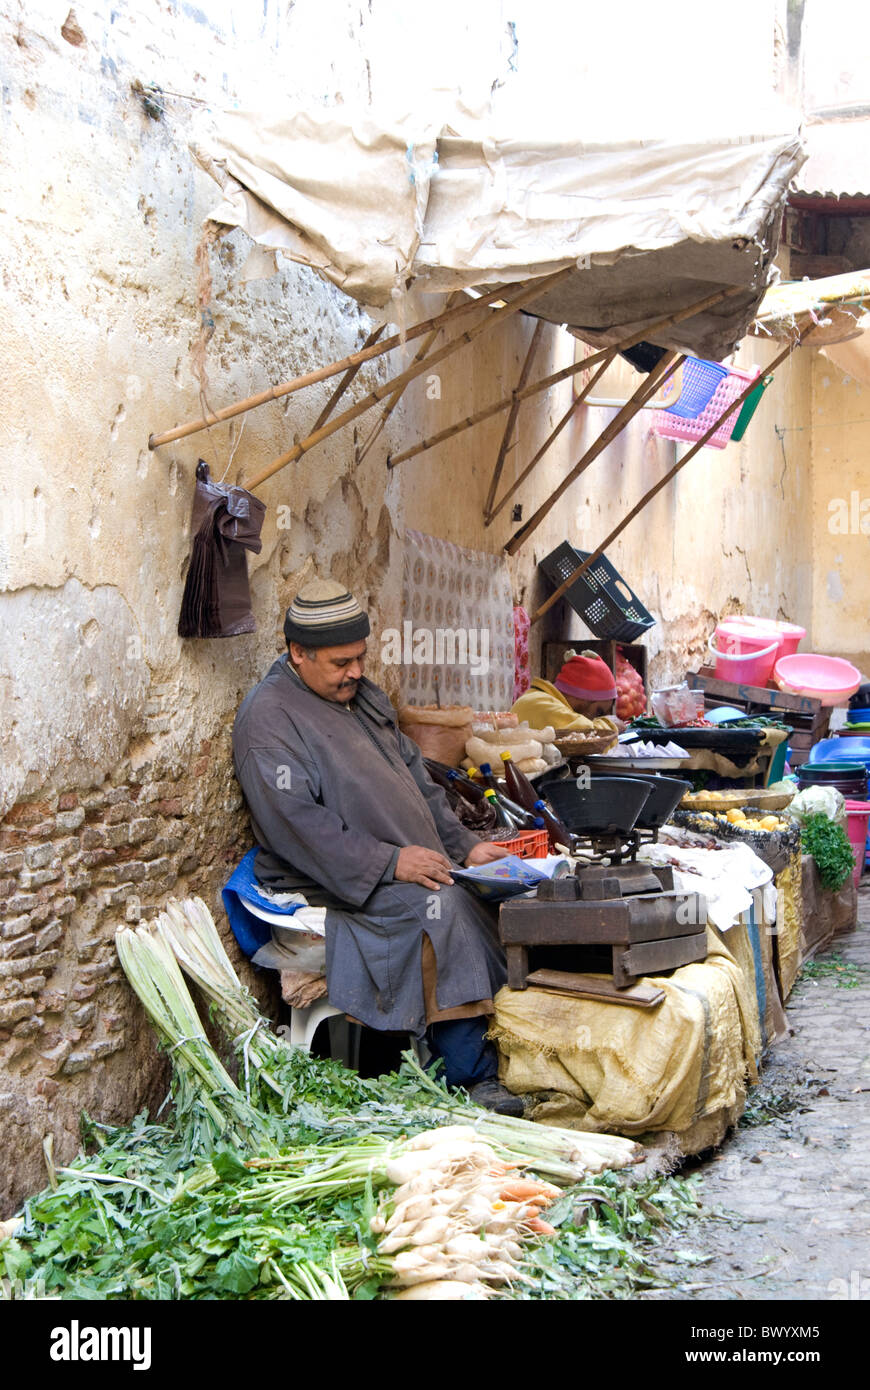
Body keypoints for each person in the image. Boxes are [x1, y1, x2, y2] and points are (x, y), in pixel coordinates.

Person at [232, 578, 523, 1114]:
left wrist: (463, 846)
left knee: (495, 894)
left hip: (404, 860)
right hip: (327, 877)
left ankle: (507, 1044)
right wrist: (390, 862)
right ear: (299, 653)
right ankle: (467, 1076)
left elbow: (417, 781)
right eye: (342, 662)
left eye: (361, 658)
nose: (357, 672)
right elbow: (295, 825)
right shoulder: (268, 720)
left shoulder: (360, 698)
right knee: (440, 908)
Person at [511, 650, 621, 732]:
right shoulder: (540, 703)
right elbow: (583, 734)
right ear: (582, 697)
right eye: (598, 712)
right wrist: (611, 726)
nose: (594, 719)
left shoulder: (547, 700)